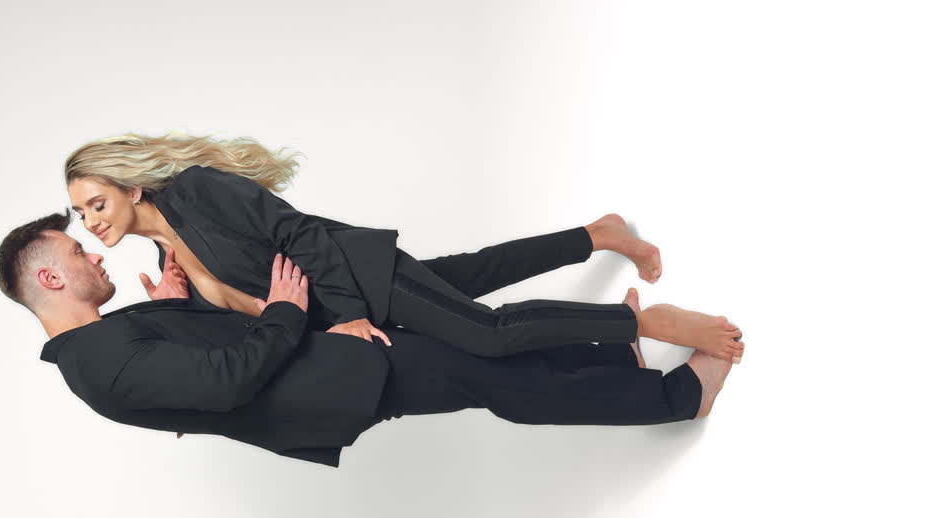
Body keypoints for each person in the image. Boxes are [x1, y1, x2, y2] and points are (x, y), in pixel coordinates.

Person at [0, 212, 735, 468]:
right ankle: (677, 396)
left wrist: (179, 304)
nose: (93, 255)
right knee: (499, 379)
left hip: (334, 363)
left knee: (482, 351)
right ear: (50, 282)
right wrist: (285, 309)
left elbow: (192, 383)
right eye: (77, 253)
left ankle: (613, 357)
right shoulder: (94, 366)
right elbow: (224, 384)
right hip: (340, 379)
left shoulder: (102, 346)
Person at [61, 131, 745, 363]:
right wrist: (185, 316)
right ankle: (598, 234)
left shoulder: (197, 190)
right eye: (81, 215)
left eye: (97, 203)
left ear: (131, 187)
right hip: (351, 302)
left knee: (491, 335)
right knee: (470, 276)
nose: (92, 222)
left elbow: (296, 232)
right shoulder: (168, 262)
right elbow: (254, 316)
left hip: (357, 277)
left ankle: (646, 322)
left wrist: (351, 309)